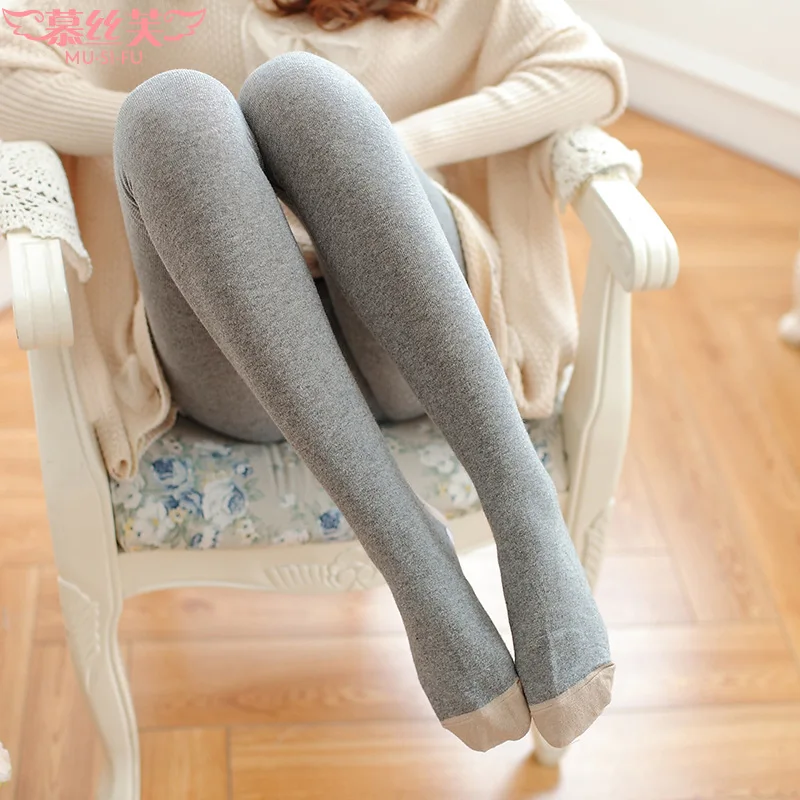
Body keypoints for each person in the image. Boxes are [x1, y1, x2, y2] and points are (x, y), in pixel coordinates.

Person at [0, 0, 627, 752]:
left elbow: (586, 72)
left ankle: (523, 508)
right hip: (238, 360)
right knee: (171, 108)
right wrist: (221, 153)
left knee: (305, 92)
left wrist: (391, 145)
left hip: (421, 346)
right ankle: (411, 552)